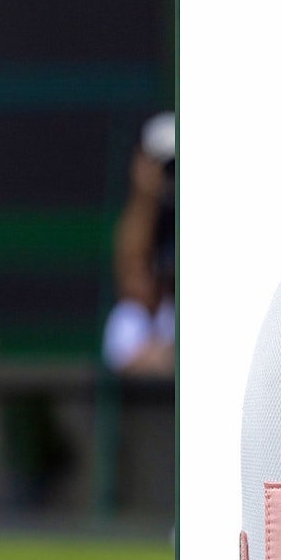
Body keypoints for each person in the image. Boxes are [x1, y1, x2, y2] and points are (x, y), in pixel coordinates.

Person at [102, 111, 175, 377]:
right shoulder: (144, 212)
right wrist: (147, 193)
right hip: (156, 330)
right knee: (128, 320)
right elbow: (133, 280)